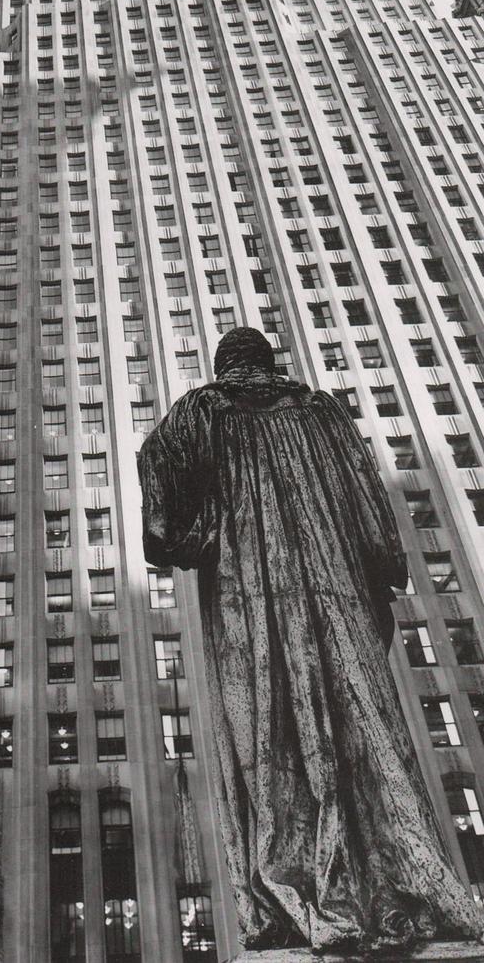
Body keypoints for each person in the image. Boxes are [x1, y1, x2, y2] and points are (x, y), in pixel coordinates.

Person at [138, 326, 482, 954]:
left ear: (225, 365)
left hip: (249, 599)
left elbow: (161, 505)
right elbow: (371, 505)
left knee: (267, 731)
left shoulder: (200, 411)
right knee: (364, 727)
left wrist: (188, 531)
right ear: (268, 363)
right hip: (336, 591)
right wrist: (380, 567)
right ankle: (396, 886)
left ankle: (300, 893)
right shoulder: (321, 410)